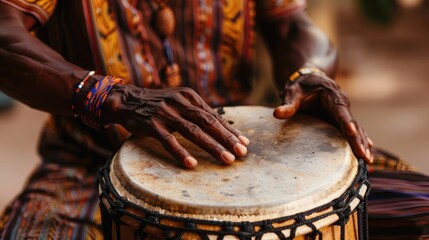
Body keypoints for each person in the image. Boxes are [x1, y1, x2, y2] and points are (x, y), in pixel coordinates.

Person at [0, 0, 427, 239]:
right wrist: (117, 97)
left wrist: (310, 73)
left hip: (244, 148)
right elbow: (5, 33)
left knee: (421, 213)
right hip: (87, 161)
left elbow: (295, 27)